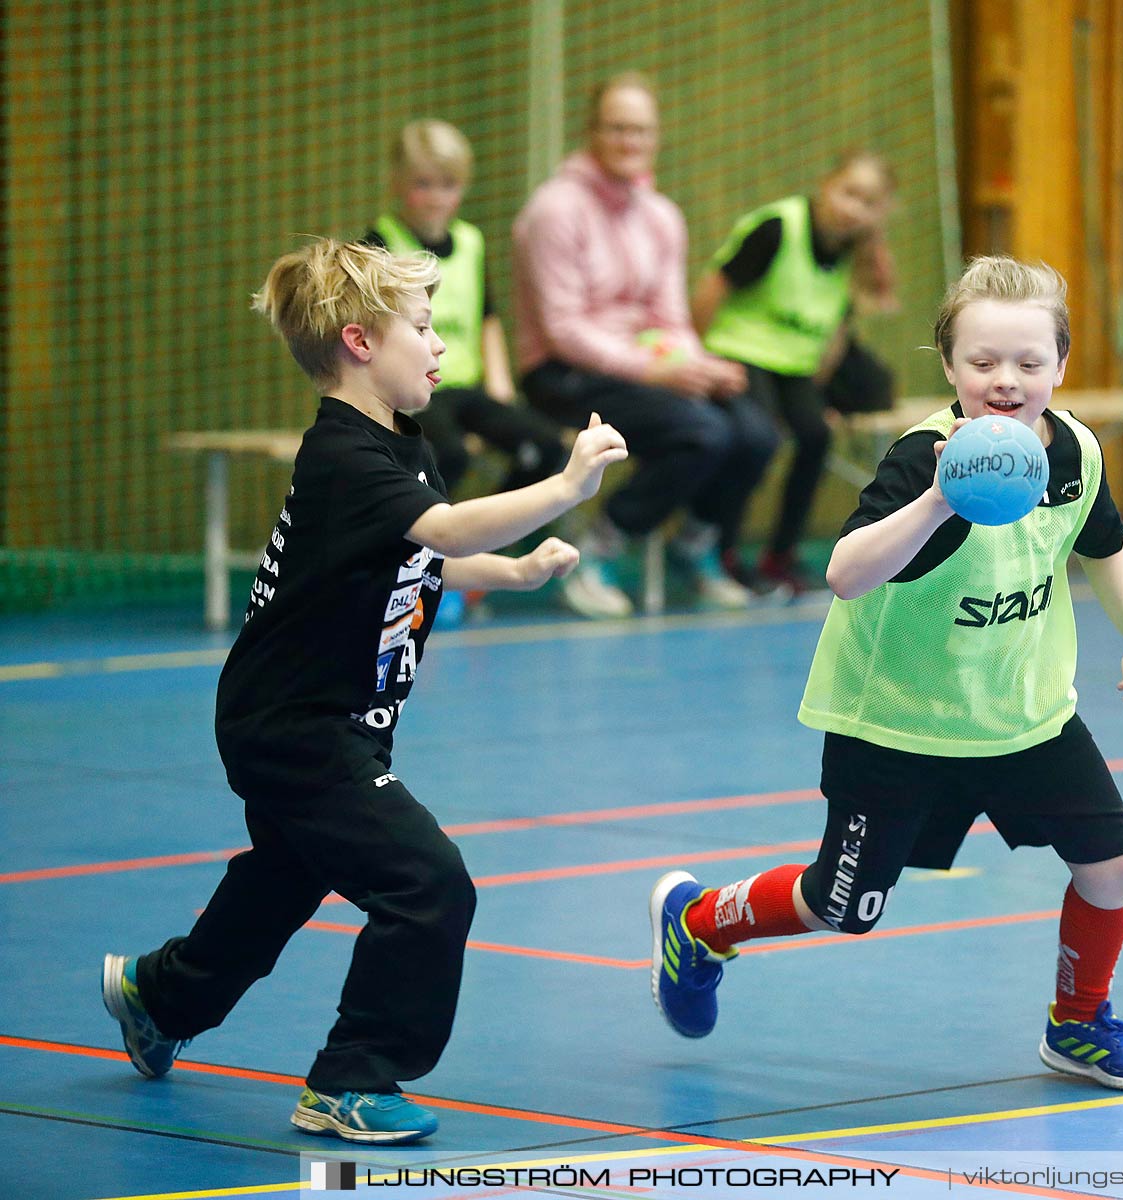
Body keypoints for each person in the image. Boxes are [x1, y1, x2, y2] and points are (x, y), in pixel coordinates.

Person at [102, 239, 628, 1143]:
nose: (439, 347)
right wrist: (568, 483)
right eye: (422, 329)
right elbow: (448, 525)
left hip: (322, 722)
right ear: (357, 341)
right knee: (429, 884)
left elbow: (422, 557)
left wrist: (513, 575)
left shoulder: (399, 445)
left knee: (286, 877)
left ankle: (159, 993)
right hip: (298, 728)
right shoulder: (345, 458)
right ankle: (351, 1079)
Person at [647, 256, 1123, 1092]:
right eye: (983, 363)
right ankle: (700, 921)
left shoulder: (1075, 451)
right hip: (896, 723)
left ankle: (1078, 1025)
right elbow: (845, 573)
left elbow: (1105, 545)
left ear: (1061, 366)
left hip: (1022, 713)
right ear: (949, 367)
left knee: (1115, 865)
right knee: (842, 907)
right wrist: (938, 497)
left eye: (1030, 363)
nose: (1006, 381)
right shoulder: (920, 459)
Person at [513, 72, 778, 615]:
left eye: (640, 130)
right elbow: (563, 329)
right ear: (591, 131)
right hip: (563, 372)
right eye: (616, 128)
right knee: (700, 434)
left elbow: (670, 316)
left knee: (756, 433)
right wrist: (654, 371)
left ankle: (694, 546)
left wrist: (700, 367)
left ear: (655, 137)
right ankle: (595, 548)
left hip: (645, 365)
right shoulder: (553, 210)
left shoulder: (661, 215)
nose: (629, 141)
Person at [363, 119, 573, 624]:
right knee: (445, 456)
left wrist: (499, 385)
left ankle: (475, 559)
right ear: (398, 184)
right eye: (423, 184)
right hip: (412, 392)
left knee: (545, 448)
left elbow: (486, 317)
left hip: (465, 387)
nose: (436, 198)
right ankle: (420, 571)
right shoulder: (380, 242)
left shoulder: (472, 243)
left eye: (448, 185)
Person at [691, 151, 897, 596]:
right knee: (758, 439)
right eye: (848, 193)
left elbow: (836, 333)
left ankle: (779, 555)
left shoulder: (852, 254)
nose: (852, 207)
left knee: (816, 437)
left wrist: (814, 399)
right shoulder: (778, 227)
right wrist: (697, 358)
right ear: (826, 185)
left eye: (867, 202)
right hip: (737, 352)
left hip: (795, 369)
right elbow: (712, 289)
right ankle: (718, 549)